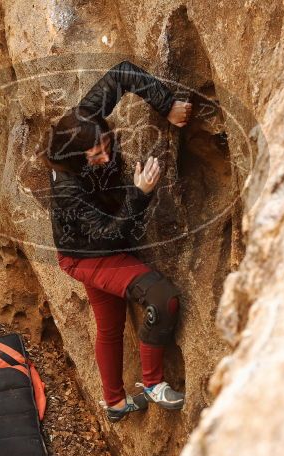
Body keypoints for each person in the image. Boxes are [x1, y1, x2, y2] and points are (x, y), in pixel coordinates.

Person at [42, 60, 192, 422]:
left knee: (110, 327)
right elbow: (111, 235)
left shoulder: (85, 116)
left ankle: (114, 403)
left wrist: (166, 104)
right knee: (162, 297)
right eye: (95, 156)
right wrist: (139, 195)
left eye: (105, 146)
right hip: (86, 255)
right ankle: (153, 384)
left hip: (95, 242)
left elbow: (123, 72)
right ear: (75, 157)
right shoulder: (67, 189)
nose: (106, 157)